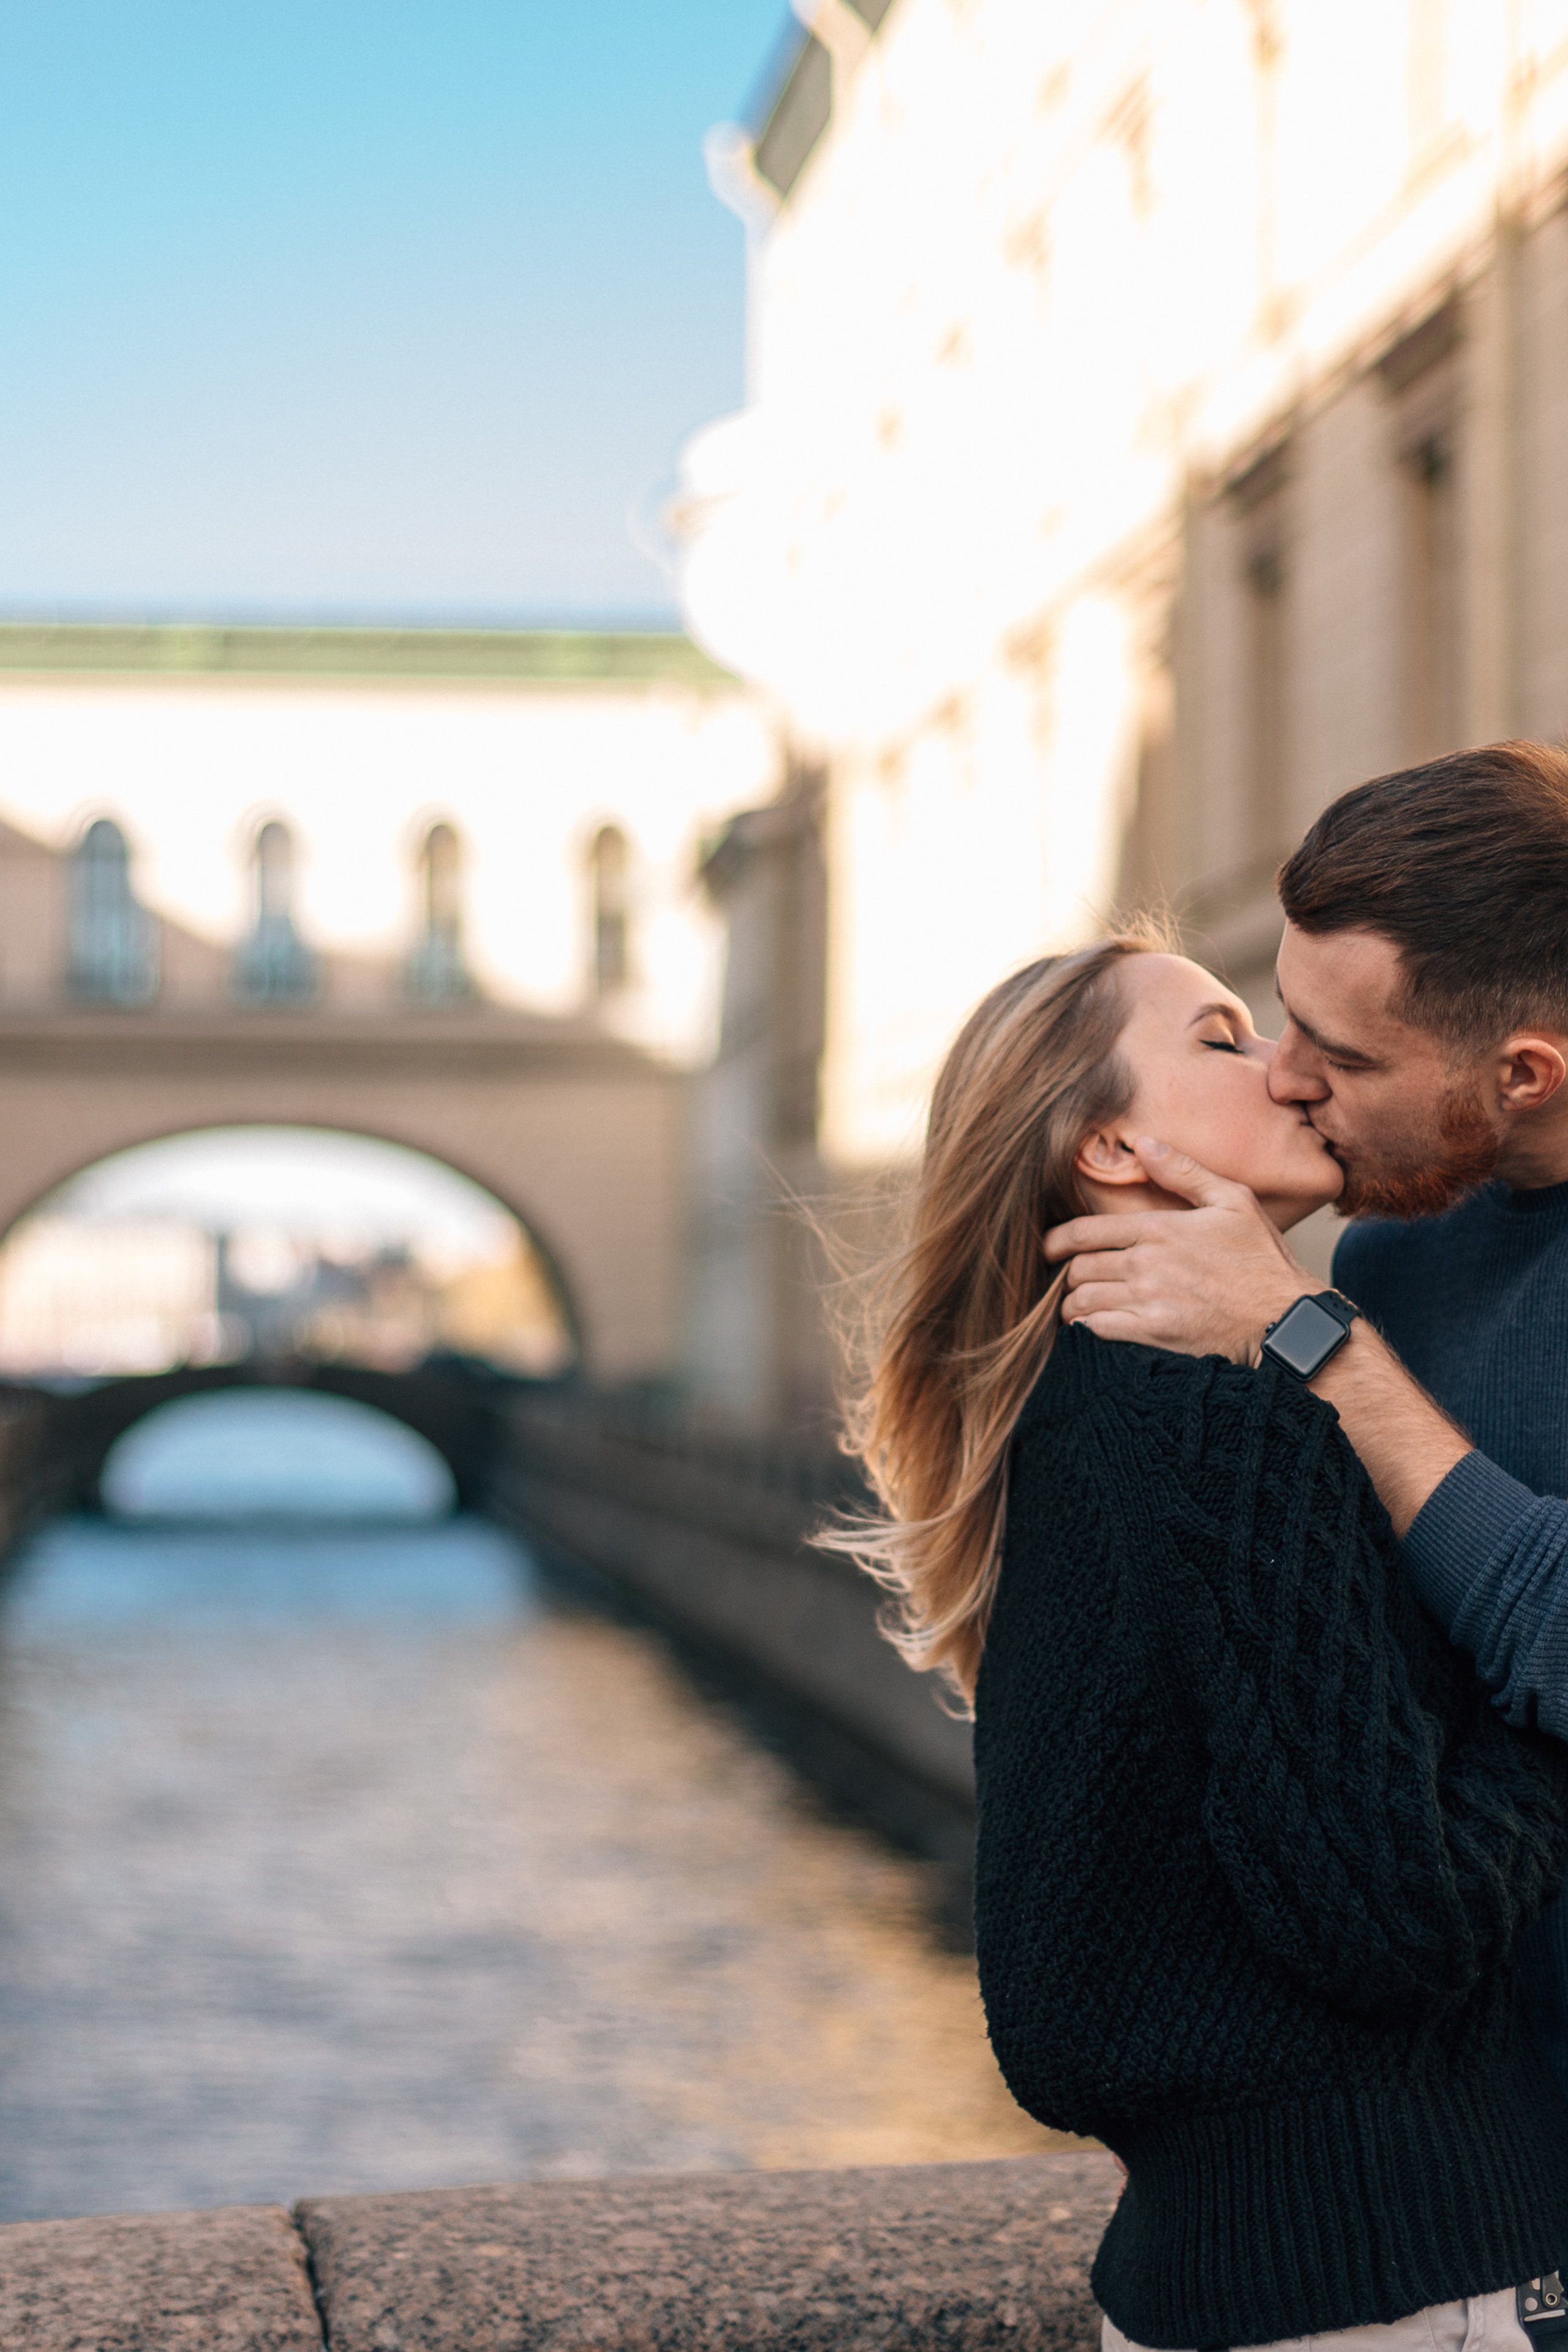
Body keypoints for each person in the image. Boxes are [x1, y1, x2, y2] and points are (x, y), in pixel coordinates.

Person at [828, 929, 1568, 2352]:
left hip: (1216, 2270)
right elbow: (1398, 1922)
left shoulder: (1078, 1405)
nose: (1287, 1075)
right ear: (1110, 1146)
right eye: (1223, 1039)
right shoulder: (1223, 1422)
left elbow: (1053, 1998)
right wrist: (1530, 1687)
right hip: (1397, 2275)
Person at [1046, 740, 1568, 2099]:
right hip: (1475, 2140)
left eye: (1334, 1054)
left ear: (1521, 1073)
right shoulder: (1390, 1252)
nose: (1283, 1077)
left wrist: (1314, 1348)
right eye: (1266, 1023)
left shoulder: (1330, 1314)